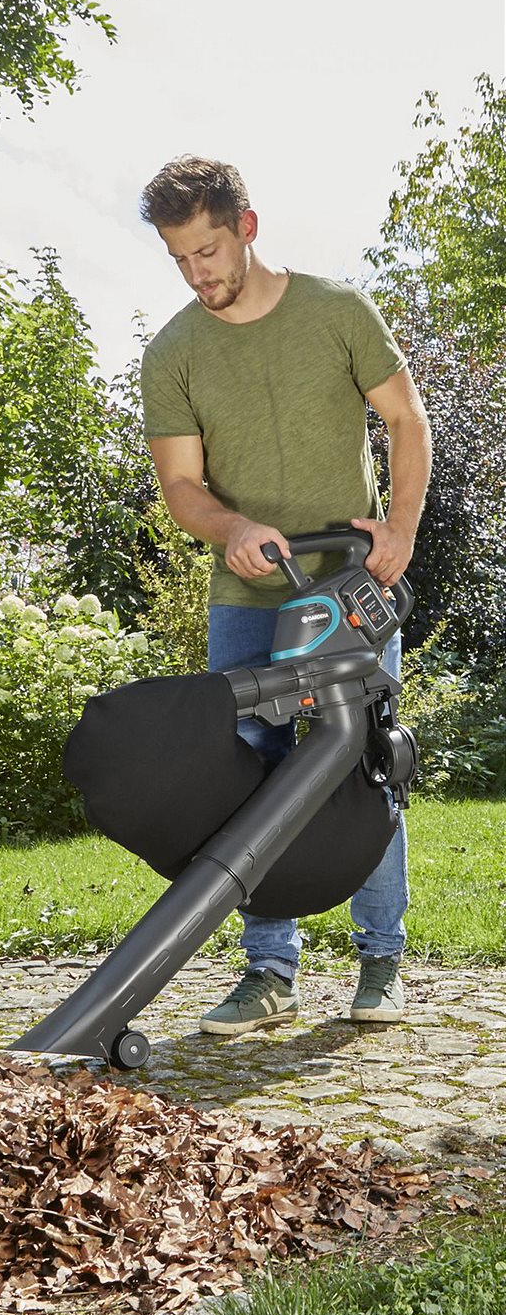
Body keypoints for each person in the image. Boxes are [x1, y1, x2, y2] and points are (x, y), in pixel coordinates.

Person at [138, 155, 432, 1037]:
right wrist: (229, 528)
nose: (199, 273)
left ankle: (382, 958)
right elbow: (182, 487)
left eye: (210, 250)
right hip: (247, 593)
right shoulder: (175, 351)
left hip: (350, 586)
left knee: (362, 758)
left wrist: (401, 531)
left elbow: (407, 421)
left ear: (248, 227)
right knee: (249, 772)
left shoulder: (337, 312)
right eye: (181, 259)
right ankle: (269, 972)